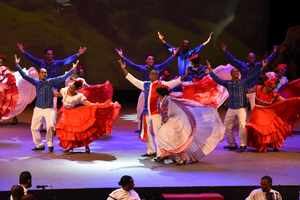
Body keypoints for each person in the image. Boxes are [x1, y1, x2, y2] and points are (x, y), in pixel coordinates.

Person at [118, 59, 183, 157]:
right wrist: (123, 69)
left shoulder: (162, 84)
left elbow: (175, 82)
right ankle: (151, 151)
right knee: (148, 133)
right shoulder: (146, 84)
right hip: (147, 113)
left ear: (157, 75)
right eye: (151, 74)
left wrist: (184, 76)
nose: (152, 75)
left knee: (158, 133)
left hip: (157, 114)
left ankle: (161, 154)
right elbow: (132, 79)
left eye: (154, 74)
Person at [14, 55, 77, 152]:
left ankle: (50, 143)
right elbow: (25, 76)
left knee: (50, 126)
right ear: (39, 74)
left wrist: (72, 69)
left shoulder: (51, 81)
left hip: (49, 109)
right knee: (34, 128)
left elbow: (63, 77)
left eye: (45, 73)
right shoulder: (36, 82)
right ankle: (39, 144)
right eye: (43, 73)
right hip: (38, 109)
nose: (44, 74)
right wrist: (17, 65)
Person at [207, 60, 268, 152]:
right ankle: (232, 144)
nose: (236, 73)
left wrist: (262, 67)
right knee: (227, 126)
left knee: (242, 126)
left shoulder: (244, 82)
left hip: (241, 108)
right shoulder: (228, 83)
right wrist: (210, 70)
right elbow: (217, 79)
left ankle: (243, 145)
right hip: (231, 108)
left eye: (237, 72)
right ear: (231, 74)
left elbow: (254, 76)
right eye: (234, 72)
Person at [155, 87, 225, 164]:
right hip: (173, 121)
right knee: (174, 139)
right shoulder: (161, 100)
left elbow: (166, 113)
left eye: (157, 93)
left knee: (181, 141)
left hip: (180, 121)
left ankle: (185, 158)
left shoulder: (168, 100)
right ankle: (172, 156)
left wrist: (163, 122)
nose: (156, 95)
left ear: (160, 93)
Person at [115, 48, 177, 132]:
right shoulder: (142, 68)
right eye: (149, 59)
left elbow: (167, 62)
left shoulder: (157, 67)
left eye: (152, 59)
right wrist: (122, 56)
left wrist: (174, 55)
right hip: (145, 90)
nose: (151, 60)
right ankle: (140, 128)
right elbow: (132, 65)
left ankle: (158, 126)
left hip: (155, 93)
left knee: (157, 109)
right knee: (140, 109)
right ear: (146, 61)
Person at [56, 79, 120, 153]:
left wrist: (99, 105)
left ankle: (86, 145)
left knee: (82, 130)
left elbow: (89, 104)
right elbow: (60, 94)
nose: (70, 89)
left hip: (74, 113)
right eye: (70, 87)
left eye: (72, 88)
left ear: (76, 89)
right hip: (65, 113)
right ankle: (69, 146)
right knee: (68, 131)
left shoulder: (79, 96)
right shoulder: (65, 90)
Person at [246, 76, 300, 152]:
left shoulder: (274, 94)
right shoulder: (257, 88)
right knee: (259, 128)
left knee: (274, 126)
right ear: (266, 85)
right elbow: (247, 93)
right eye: (270, 87)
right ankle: (262, 145)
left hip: (267, 112)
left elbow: (285, 101)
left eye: (273, 88)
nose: (271, 89)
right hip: (257, 111)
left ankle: (273, 144)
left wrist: (295, 101)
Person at [221, 44, 278, 109]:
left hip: (252, 91)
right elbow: (233, 60)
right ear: (247, 58)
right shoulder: (242, 65)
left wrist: (274, 52)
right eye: (250, 57)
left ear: (255, 58)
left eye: (253, 57)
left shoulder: (258, 65)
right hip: (243, 89)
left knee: (254, 109)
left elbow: (268, 59)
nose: (251, 59)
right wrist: (225, 51)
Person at [16, 43, 87, 78]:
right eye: (48, 54)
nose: (50, 56)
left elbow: (67, 60)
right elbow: (31, 58)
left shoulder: (57, 63)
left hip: (53, 86)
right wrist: (23, 51)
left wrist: (78, 54)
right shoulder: (41, 62)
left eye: (51, 54)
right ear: (45, 55)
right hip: (42, 86)